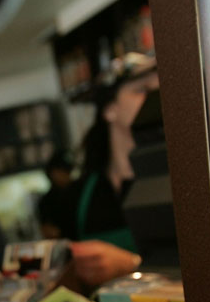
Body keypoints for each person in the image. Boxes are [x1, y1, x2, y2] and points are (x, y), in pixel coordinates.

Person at [64, 63, 159, 287]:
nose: (156, 99)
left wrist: (131, 265)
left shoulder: (178, 183)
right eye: (143, 90)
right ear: (109, 109)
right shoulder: (78, 195)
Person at [37, 150, 75, 239]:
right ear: (52, 173)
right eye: (63, 171)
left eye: (68, 172)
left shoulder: (76, 192)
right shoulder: (47, 201)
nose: (67, 176)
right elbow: (48, 231)